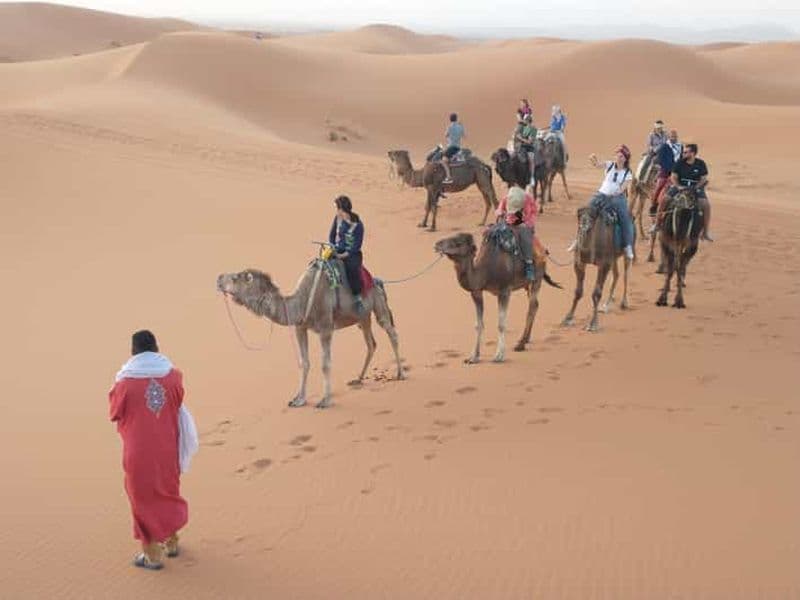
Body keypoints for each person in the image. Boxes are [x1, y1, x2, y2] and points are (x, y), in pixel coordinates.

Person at [109, 330, 189, 571]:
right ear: (156, 348)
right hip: (167, 447)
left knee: (141, 498)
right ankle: (172, 542)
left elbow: (114, 412)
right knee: (167, 490)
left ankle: (152, 555)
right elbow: (178, 401)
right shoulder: (174, 376)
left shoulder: (124, 383)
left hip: (138, 452)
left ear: (133, 352)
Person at [569, 145, 635, 260]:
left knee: (625, 219)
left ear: (625, 159)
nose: (618, 158)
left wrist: (615, 192)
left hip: (617, 199)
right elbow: (598, 165)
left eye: (621, 156)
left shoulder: (627, 173)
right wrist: (593, 159)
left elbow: (623, 188)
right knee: (586, 213)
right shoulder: (609, 165)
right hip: (600, 195)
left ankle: (627, 246)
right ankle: (578, 240)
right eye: (617, 155)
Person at [658, 143, 714, 241]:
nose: (683, 154)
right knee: (664, 199)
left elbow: (704, 178)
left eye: (686, 152)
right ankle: (657, 224)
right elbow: (673, 177)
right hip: (680, 186)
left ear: (693, 153)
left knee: (706, 205)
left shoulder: (700, 164)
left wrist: (696, 187)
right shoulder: (679, 163)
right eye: (683, 152)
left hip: (695, 188)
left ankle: (705, 232)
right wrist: (678, 186)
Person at [328, 195, 366, 312]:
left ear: (342, 209)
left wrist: (341, 255)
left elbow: (355, 247)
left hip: (352, 255)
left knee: (351, 270)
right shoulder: (337, 219)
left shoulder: (358, 226)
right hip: (337, 250)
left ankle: (357, 299)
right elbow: (332, 236)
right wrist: (333, 248)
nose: (336, 211)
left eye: (337, 208)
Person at [496, 184, 538, 281]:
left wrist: (526, 223)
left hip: (523, 224)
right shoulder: (507, 198)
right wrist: (500, 213)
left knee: (525, 240)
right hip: (508, 222)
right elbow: (499, 210)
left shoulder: (528, 199)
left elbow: (534, 212)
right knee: (492, 234)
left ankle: (529, 265)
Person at [650, 128, 682, 217]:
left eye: (675, 136)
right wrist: (670, 170)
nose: (674, 138)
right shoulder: (664, 147)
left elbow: (682, 159)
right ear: (669, 137)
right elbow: (661, 160)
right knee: (660, 185)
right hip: (665, 171)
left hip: (677, 173)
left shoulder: (680, 147)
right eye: (672, 136)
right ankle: (653, 205)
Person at [513, 113, 537, 187]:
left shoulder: (533, 129)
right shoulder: (523, 127)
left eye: (526, 120)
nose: (525, 121)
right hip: (520, 147)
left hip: (529, 148)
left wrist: (520, 138)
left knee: (531, 159)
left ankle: (532, 177)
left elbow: (530, 141)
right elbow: (517, 135)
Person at [441, 113, 465, 184]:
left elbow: (446, 135)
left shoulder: (449, 127)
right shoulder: (460, 127)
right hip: (458, 147)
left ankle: (448, 177)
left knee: (443, 161)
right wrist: (460, 126)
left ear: (450, 119)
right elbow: (464, 136)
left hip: (451, 147)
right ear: (456, 119)